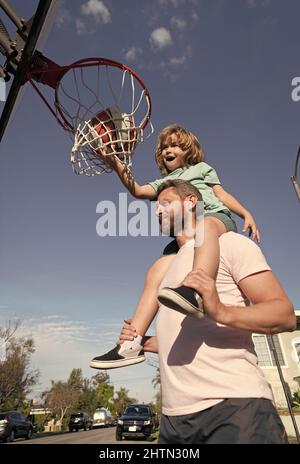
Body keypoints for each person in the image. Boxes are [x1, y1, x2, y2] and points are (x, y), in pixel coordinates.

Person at [118, 179, 296, 444]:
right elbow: (190, 333)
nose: (156, 211)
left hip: (235, 409)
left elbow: (284, 314)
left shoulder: (231, 244)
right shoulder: (166, 269)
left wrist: (221, 311)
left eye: (165, 203)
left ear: (191, 202)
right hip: (173, 420)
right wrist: (143, 343)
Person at [90, 125, 259, 369]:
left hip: (212, 217)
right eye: (166, 146)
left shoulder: (202, 169)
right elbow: (136, 190)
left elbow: (221, 195)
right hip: (183, 233)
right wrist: (114, 160)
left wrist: (245, 213)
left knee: (206, 226)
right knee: (157, 270)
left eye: (176, 145)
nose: (169, 149)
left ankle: (195, 290)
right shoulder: (164, 183)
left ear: (188, 150)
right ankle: (131, 343)